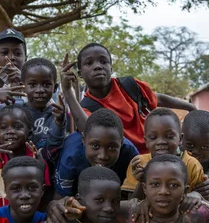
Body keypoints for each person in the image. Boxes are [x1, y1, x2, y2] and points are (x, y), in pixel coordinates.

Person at [59, 44, 196, 154]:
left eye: (103, 61)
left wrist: (189, 107)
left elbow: (158, 98)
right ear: (80, 74)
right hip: (127, 160)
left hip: (159, 150)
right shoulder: (86, 108)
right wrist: (67, 90)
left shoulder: (129, 85)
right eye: (89, 63)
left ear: (111, 68)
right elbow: (87, 129)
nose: (98, 66)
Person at [121, 107, 209, 201]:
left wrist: (198, 195)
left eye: (169, 137)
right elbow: (131, 205)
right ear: (146, 141)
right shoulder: (139, 164)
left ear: (180, 139)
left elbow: (204, 201)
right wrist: (141, 181)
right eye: (153, 137)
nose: (161, 142)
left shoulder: (192, 165)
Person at [0, 105, 50, 209]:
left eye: (17, 127)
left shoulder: (36, 157)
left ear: (29, 133)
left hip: (31, 217)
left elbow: (46, 191)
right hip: (3, 218)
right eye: (4, 128)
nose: (10, 131)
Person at [55, 108, 139, 198]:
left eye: (111, 148)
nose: (103, 156)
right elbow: (60, 201)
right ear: (84, 140)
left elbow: (136, 201)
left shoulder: (130, 154)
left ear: (121, 143)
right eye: (95, 146)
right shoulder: (70, 158)